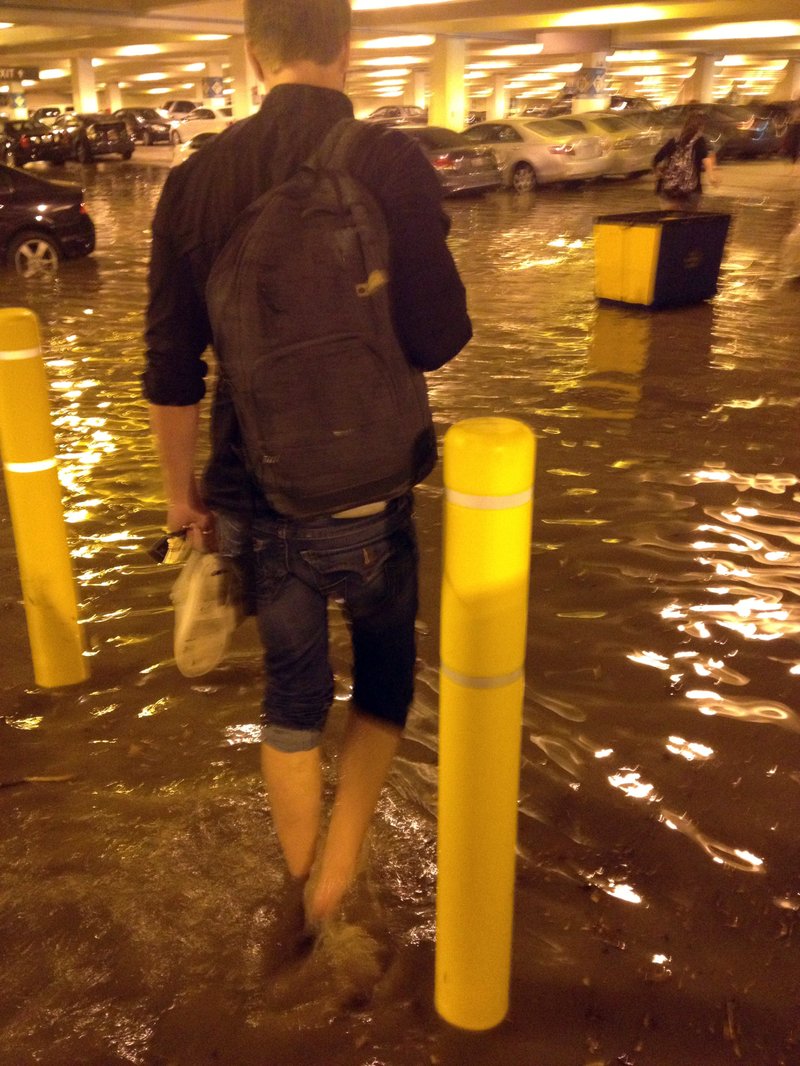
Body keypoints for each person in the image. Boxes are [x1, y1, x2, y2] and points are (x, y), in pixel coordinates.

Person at [142, 0, 471, 931]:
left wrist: (181, 501)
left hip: (256, 490)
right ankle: (338, 875)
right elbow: (443, 336)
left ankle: (302, 893)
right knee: (382, 684)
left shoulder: (196, 182)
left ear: (255, 54)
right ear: (348, 46)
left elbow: (170, 367)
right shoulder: (390, 161)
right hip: (373, 491)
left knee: (289, 695)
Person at [653, 110, 719, 206]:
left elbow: (657, 158)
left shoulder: (674, 141)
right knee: (689, 218)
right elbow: (706, 159)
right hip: (691, 191)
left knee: (669, 217)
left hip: (669, 190)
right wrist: (711, 177)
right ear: (701, 127)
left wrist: (657, 172)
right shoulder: (699, 141)